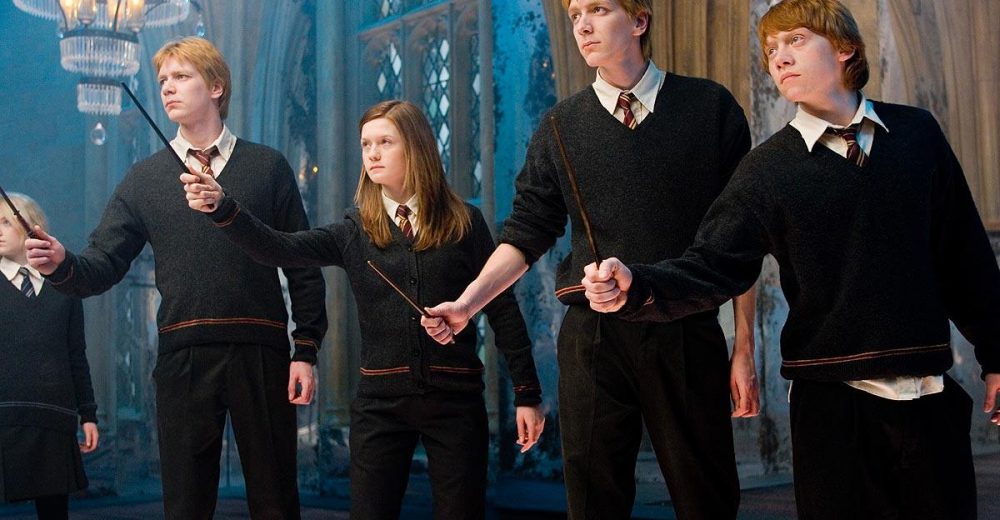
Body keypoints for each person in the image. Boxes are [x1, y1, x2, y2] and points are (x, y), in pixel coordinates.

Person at [581, 0, 1000, 518]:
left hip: (930, 399)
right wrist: (638, 284)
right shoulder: (766, 170)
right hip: (832, 412)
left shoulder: (917, 134)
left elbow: (965, 257)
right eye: (770, 50)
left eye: (795, 40)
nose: (778, 58)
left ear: (844, 48)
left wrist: (997, 355)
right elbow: (711, 265)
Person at [419, 1, 757, 518]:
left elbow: (739, 241)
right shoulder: (560, 126)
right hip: (593, 335)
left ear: (639, 20)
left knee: (706, 499)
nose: (581, 24)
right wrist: (466, 305)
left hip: (686, 330)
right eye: (574, 13)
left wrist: (745, 348)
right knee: (593, 504)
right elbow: (525, 233)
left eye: (597, 8)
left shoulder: (709, 108)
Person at [181, 99, 545, 520]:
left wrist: (527, 394)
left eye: (385, 142)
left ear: (416, 147)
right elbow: (277, 247)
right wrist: (224, 208)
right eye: (366, 144)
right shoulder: (354, 230)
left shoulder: (465, 222)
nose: (372, 153)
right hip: (379, 405)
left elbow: (504, 310)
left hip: (456, 401)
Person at [24, 37, 327, 520]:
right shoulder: (144, 179)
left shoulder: (267, 166)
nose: (167, 87)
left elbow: (302, 262)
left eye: (181, 77)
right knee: (185, 505)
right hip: (182, 356)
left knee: (276, 501)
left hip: (261, 351)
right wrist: (62, 263)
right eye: (163, 79)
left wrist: (305, 349)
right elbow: (102, 264)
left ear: (216, 87)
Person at [1, 192, 99, 520]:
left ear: (33, 228)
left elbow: (76, 355)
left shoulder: (63, 285)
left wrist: (88, 415)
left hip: (53, 418)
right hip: (4, 417)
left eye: (6, 222)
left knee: (54, 513)